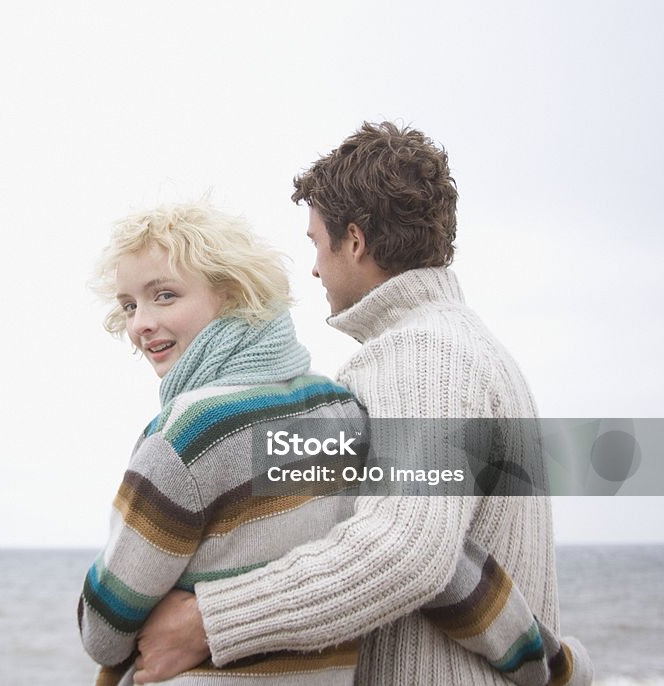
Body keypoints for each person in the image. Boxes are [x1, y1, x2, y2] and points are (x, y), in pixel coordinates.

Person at [130, 123, 592, 685]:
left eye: (317, 244)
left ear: (354, 240)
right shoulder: (463, 346)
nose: (317, 268)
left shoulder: (421, 359)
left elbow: (406, 552)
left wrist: (209, 619)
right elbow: (460, 561)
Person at [78, 200, 368, 685]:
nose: (140, 324)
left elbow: (103, 633)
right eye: (129, 305)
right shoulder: (341, 408)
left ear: (233, 294)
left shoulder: (190, 432)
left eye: (164, 295)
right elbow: (438, 558)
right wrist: (536, 662)